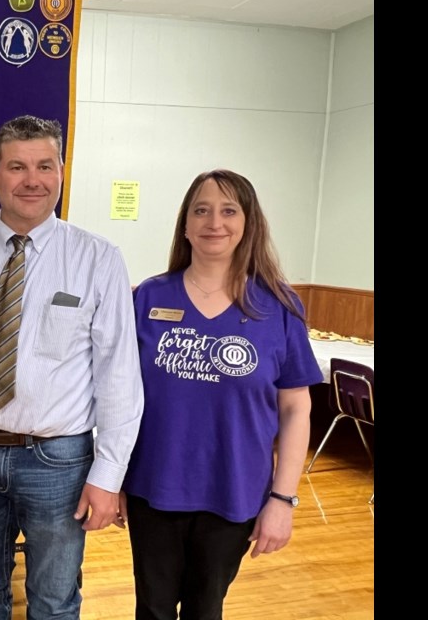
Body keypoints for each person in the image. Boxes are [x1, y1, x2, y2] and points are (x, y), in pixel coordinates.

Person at [0, 115, 145, 619]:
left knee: (54, 602)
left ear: (62, 171)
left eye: (45, 166)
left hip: (60, 462)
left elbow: (118, 374)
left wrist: (109, 475)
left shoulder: (98, 259)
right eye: (17, 166)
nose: (32, 179)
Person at [121, 169, 323, 620]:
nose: (215, 222)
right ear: (186, 224)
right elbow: (119, 398)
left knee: (205, 608)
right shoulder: (147, 298)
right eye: (202, 210)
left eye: (229, 210)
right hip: (153, 486)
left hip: (233, 489)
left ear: (248, 222)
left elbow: (296, 409)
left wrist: (283, 500)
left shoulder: (279, 306)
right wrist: (112, 477)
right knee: (151, 608)